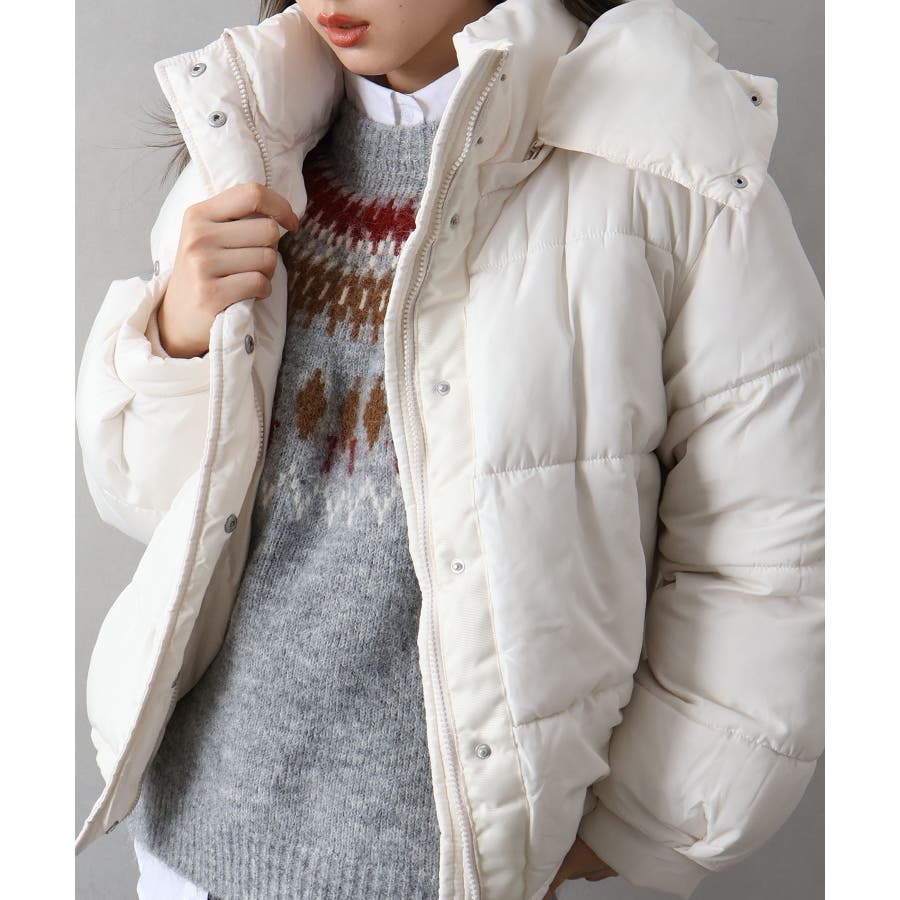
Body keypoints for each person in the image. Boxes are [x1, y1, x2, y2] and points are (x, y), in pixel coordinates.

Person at [74, 1, 825, 898]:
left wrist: (646, 822)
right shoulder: (248, 135)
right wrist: (175, 340)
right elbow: (151, 507)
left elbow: (776, 546)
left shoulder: (669, 161)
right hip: (185, 844)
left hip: (440, 870)